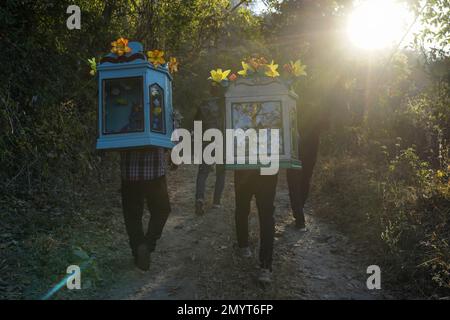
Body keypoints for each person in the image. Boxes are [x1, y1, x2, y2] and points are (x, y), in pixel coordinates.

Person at [120, 147, 171, 271]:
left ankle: (137, 249)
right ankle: (147, 245)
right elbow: (171, 133)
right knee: (161, 210)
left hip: (129, 172)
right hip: (154, 172)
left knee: (132, 215)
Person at [234, 170, 278, 284]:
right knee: (264, 215)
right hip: (261, 168)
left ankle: (245, 248)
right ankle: (265, 266)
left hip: (251, 168)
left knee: (245, 210)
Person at [194, 86, 226, 215]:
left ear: (210, 91)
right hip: (222, 140)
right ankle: (216, 202)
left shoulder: (204, 104)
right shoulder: (224, 104)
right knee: (221, 172)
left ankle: (199, 198)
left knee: (203, 172)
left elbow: (196, 123)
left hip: (207, 139)